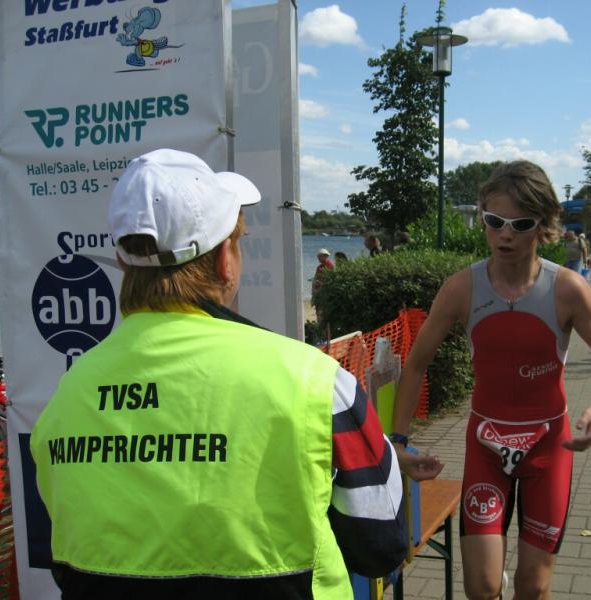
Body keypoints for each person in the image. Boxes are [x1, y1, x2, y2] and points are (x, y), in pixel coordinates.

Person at [29, 149, 411, 599]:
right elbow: (382, 541)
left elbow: (66, 556)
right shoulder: (314, 381)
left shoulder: (68, 393)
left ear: (125, 262)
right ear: (224, 260)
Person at [390, 160, 591, 600]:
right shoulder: (462, 288)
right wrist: (399, 442)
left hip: (548, 449)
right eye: (494, 221)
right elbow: (416, 364)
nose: (505, 235)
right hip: (486, 444)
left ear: (543, 225)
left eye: (520, 225)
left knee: (533, 586)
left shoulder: (567, 289)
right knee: (481, 587)